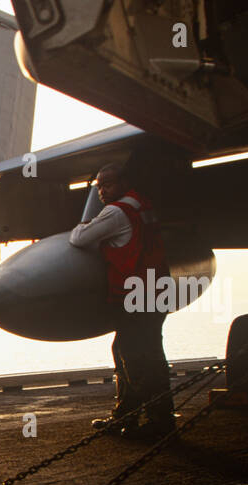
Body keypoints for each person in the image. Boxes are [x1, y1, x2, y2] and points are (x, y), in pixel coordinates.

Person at [69, 163, 175, 438]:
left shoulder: (116, 212)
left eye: (108, 185)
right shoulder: (142, 205)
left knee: (136, 356)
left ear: (124, 183)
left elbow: (79, 238)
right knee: (140, 352)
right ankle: (131, 415)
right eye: (99, 186)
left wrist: (86, 223)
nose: (103, 191)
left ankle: (155, 422)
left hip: (136, 296)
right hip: (155, 292)